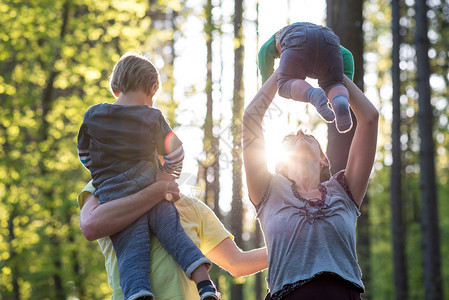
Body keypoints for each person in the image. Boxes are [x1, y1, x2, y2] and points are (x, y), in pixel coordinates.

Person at [77, 51, 218, 300]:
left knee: (130, 249)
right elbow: (176, 154)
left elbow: (85, 154)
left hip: (112, 192)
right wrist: (165, 177)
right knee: (174, 233)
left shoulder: (93, 115)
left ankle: (139, 293)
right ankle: (205, 285)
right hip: (148, 180)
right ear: (153, 88)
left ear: (115, 86)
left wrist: (101, 173)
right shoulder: (152, 116)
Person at [242, 67, 378, 299]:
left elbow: (369, 118)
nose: (299, 132)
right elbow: (251, 118)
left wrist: (331, 69)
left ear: (323, 159)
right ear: (281, 163)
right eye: (289, 140)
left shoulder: (344, 190)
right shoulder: (269, 191)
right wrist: (285, 68)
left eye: (309, 135)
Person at [77, 170, 269, 300]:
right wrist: (156, 192)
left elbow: (237, 262)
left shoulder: (194, 207)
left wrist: (296, 249)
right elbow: (90, 225)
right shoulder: (106, 188)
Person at [258, 22, 354, 133]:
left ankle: (313, 95)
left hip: (297, 40)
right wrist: (344, 82)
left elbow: (263, 53)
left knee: (285, 84)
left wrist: (266, 93)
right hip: (328, 38)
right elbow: (346, 55)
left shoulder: (275, 39)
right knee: (333, 84)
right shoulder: (316, 33)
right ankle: (340, 100)